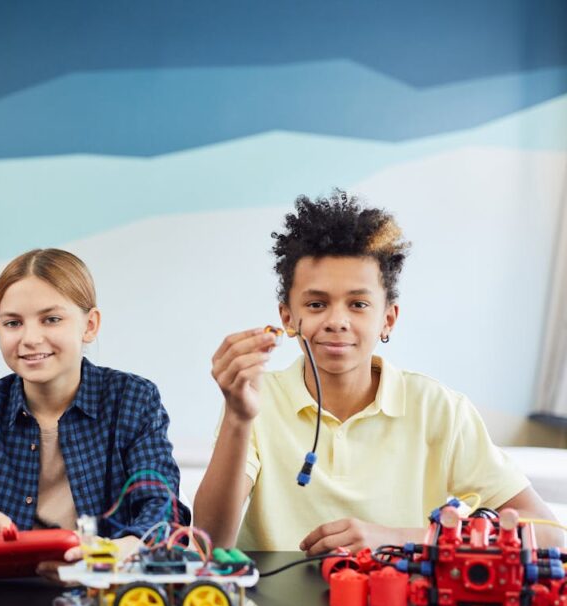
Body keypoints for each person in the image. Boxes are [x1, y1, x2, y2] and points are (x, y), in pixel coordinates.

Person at [195, 191, 563, 554]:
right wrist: (238, 419)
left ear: (388, 319)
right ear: (287, 318)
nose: (337, 321)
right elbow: (208, 542)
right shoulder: (256, 401)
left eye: (358, 304)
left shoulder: (439, 409)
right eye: (317, 304)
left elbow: (549, 536)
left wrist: (401, 538)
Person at [0, 248, 189, 568]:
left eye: (51, 319)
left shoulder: (133, 400)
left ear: (90, 325)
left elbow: (163, 510)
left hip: (100, 583)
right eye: (13, 323)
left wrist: (125, 547)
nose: (30, 338)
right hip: (2, 586)